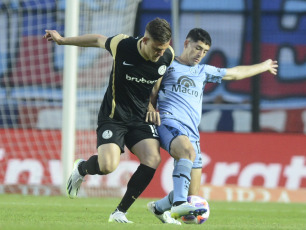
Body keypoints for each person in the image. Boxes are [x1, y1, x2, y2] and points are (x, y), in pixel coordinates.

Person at [43, 18, 182, 224]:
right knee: (107, 166)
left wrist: (152, 104)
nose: (160, 53)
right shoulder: (123, 45)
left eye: (164, 48)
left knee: (152, 159)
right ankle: (82, 168)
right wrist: (63, 40)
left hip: (140, 118)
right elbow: (98, 40)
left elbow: (157, 81)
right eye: (156, 48)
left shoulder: (167, 56)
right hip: (113, 117)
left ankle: (119, 212)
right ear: (145, 40)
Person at [146, 28, 278, 224]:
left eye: (205, 51)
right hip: (169, 122)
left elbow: (234, 74)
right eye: (197, 48)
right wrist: (149, 107)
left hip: (192, 132)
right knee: (187, 153)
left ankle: (159, 207)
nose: (200, 54)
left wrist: (264, 65)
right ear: (186, 44)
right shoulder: (168, 65)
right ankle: (179, 203)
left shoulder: (203, 71)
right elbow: (150, 91)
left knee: (193, 194)